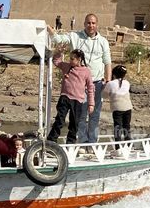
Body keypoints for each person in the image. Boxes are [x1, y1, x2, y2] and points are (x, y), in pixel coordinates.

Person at [47, 13, 111, 143]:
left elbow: (107, 61)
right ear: (84, 24)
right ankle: (82, 142)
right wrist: (50, 31)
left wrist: (108, 80)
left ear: (97, 25)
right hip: (79, 84)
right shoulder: (75, 36)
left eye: (93, 23)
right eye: (88, 23)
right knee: (80, 115)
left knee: (94, 114)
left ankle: (92, 142)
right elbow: (59, 40)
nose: (91, 25)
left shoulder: (103, 41)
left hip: (97, 83)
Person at [47, 49, 94, 144]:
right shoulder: (67, 66)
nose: (70, 61)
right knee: (59, 119)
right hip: (65, 97)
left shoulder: (86, 71)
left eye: (72, 59)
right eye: (70, 58)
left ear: (79, 59)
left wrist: (91, 104)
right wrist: (59, 52)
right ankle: (52, 140)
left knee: (74, 123)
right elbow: (56, 61)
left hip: (77, 100)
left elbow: (90, 88)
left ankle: (70, 142)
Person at [103, 64, 133, 148]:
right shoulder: (127, 83)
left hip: (117, 108)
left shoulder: (111, 84)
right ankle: (128, 145)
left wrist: (104, 84)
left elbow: (104, 95)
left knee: (118, 127)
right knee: (127, 126)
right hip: (128, 107)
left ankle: (118, 147)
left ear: (114, 74)